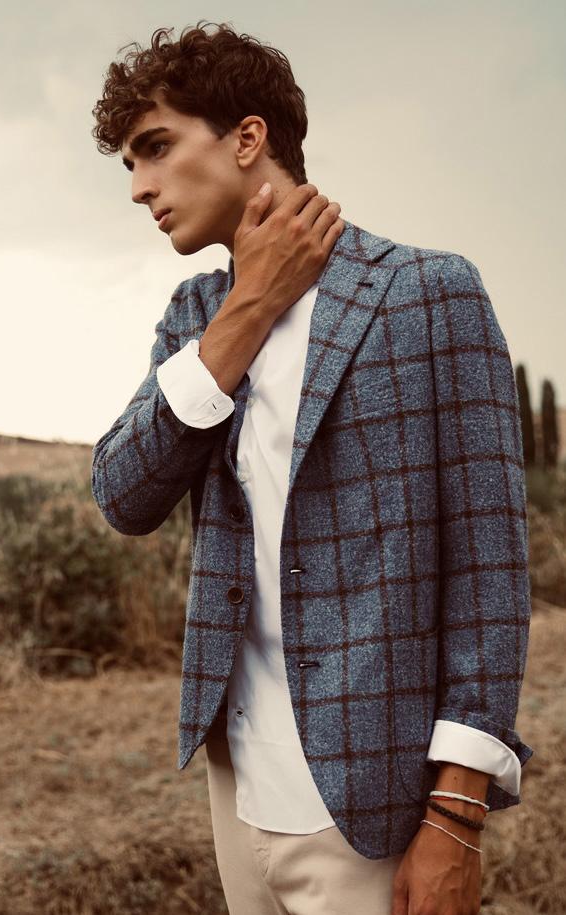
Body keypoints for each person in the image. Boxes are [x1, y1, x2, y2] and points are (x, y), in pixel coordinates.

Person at [90, 20, 533, 915]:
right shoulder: (196, 316)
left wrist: (456, 816)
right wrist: (250, 306)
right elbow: (124, 494)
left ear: (247, 138)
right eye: (130, 164)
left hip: (374, 805)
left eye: (156, 148)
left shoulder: (427, 294)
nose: (138, 187)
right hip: (237, 791)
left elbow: (489, 572)